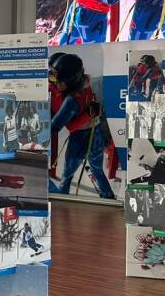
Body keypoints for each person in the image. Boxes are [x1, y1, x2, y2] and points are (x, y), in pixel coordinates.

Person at [50, 53, 116, 199]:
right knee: (97, 169)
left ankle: (62, 199)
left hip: (80, 138)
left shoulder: (71, 100)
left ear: (67, 79)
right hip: (96, 133)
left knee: (67, 175)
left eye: (56, 77)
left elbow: (55, 126)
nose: (54, 82)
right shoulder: (85, 86)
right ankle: (108, 198)